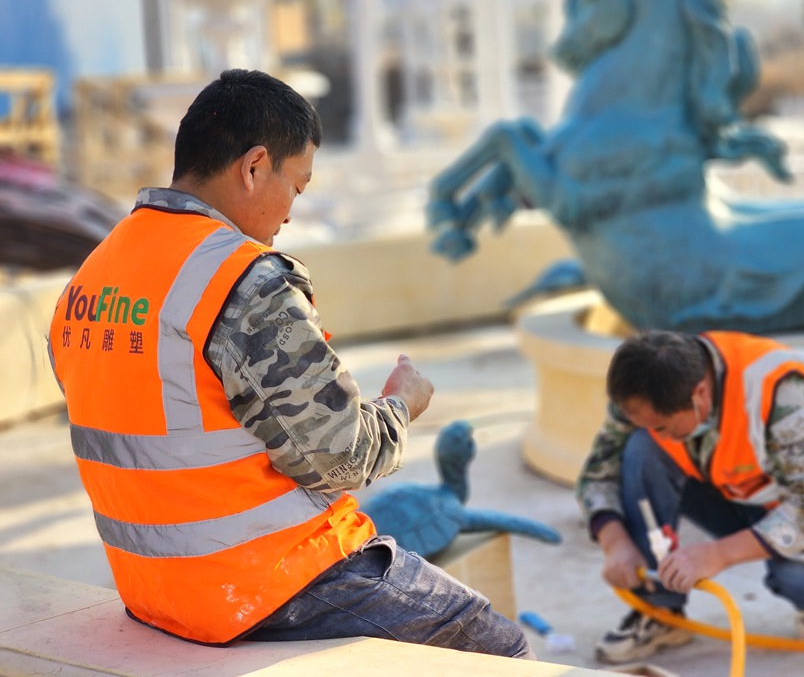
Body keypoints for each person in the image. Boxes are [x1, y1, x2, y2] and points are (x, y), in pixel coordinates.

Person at [47, 69, 531, 658]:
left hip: (152, 591)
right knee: (502, 648)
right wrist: (402, 403)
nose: (290, 216)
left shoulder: (90, 278)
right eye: (297, 188)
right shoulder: (239, 281)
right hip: (268, 581)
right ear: (254, 167)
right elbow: (343, 457)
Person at [577, 329, 804, 664]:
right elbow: (598, 472)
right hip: (735, 492)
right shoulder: (644, 391)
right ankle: (661, 611)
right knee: (639, 448)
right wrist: (615, 542)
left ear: (700, 394)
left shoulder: (779, 390)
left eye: (661, 427)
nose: (656, 432)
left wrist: (717, 554)